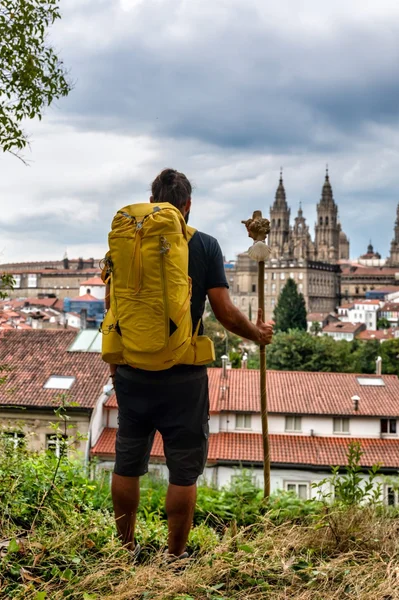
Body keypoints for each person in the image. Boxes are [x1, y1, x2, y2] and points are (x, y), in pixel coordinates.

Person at [107, 168, 274, 558]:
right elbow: (225, 313)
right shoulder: (205, 245)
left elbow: (114, 306)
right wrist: (257, 334)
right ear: (187, 205)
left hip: (132, 368)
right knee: (183, 471)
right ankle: (175, 555)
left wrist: (115, 364)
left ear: (151, 203)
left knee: (127, 463)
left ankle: (125, 550)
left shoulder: (126, 242)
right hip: (184, 376)